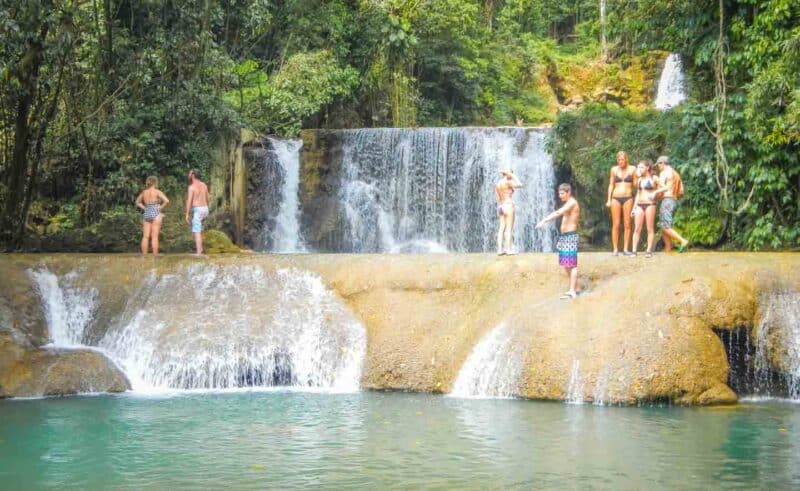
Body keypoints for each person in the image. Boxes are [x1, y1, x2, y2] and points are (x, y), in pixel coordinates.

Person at [536, 183, 581, 299]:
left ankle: (572, 291)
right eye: (559, 194)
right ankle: (576, 287)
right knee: (566, 264)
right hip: (564, 236)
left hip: (570, 236)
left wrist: (544, 221)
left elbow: (558, 213)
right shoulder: (568, 202)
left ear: (568, 192)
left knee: (572, 264)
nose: (560, 196)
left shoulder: (572, 202)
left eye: (562, 194)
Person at [654, 156, 689, 253]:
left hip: (667, 200)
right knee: (664, 225)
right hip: (673, 199)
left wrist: (657, 182)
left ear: (663, 163)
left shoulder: (665, 173)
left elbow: (666, 187)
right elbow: (681, 191)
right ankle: (668, 249)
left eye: (658, 164)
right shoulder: (674, 172)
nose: (658, 167)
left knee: (665, 226)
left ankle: (683, 241)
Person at [605, 151, 636, 256]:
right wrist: (608, 199)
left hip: (628, 197)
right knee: (616, 224)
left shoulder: (633, 169)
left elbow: (636, 185)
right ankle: (615, 249)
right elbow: (611, 185)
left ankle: (626, 249)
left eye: (622, 159)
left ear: (626, 159)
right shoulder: (614, 169)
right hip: (615, 197)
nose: (620, 161)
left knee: (627, 224)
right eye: (618, 160)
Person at [630, 160, 659, 257]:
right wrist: (633, 209)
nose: (639, 169)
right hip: (639, 205)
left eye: (641, 167)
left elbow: (665, 187)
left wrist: (655, 192)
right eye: (638, 167)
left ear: (647, 168)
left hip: (650, 204)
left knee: (649, 228)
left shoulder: (654, 178)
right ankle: (634, 251)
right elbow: (638, 195)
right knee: (637, 228)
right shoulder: (639, 180)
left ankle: (648, 251)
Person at [135, 176, 169, 256]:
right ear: (155, 182)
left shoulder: (144, 192)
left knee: (145, 236)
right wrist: (159, 208)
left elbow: (137, 202)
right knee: (154, 237)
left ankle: (144, 256)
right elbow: (167, 201)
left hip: (147, 211)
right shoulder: (157, 191)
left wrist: (144, 208)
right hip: (155, 211)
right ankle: (155, 257)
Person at [496, 169, 523, 255]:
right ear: (507, 173)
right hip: (508, 205)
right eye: (511, 172)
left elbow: (498, 198)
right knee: (509, 229)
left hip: (501, 206)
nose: (511, 174)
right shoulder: (508, 182)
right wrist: (513, 176)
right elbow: (520, 184)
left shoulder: (498, 183)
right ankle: (508, 249)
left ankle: (500, 250)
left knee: (501, 228)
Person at [185, 168, 210, 256]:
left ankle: (199, 253)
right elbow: (208, 198)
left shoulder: (191, 187)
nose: (188, 175)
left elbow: (189, 201)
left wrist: (187, 214)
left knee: (197, 231)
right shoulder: (204, 185)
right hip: (205, 209)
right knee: (199, 229)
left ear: (193, 175)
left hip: (198, 210)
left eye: (189, 173)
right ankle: (201, 248)